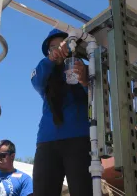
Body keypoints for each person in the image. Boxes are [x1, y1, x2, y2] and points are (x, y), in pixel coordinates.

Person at [30, 29, 93, 196]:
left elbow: (98, 98)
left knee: (83, 191)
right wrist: (50, 59)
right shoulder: (46, 76)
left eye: (62, 45)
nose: (58, 50)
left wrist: (84, 80)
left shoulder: (82, 67)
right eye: (53, 48)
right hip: (46, 143)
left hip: (79, 140)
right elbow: (35, 80)